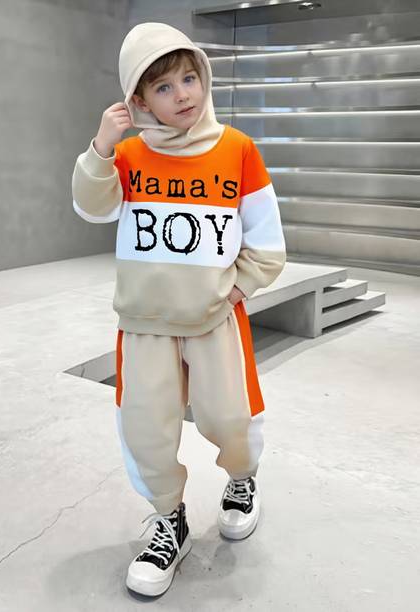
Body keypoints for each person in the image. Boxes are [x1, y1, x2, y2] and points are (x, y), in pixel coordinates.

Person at [71, 21, 286, 598]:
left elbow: (267, 243)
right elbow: (92, 209)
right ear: (139, 100)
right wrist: (101, 147)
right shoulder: (128, 155)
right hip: (144, 325)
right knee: (145, 428)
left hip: (215, 321)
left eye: (189, 78)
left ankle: (242, 480)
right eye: (163, 87)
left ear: (203, 78)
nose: (183, 94)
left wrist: (232, 292)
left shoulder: (238, 149)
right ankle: (170, 520)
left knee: (231, 418)